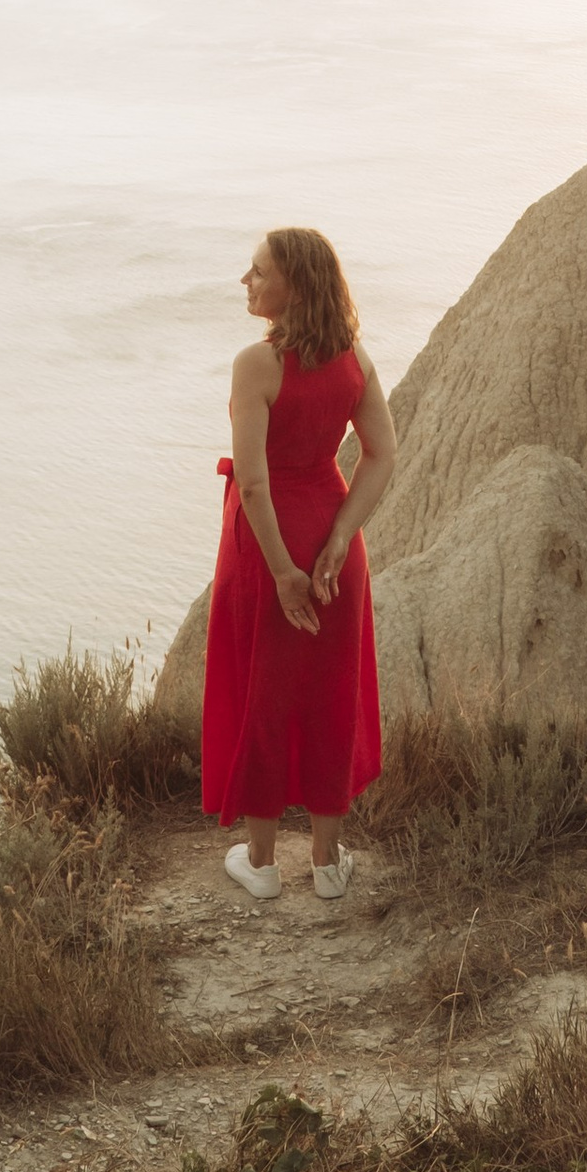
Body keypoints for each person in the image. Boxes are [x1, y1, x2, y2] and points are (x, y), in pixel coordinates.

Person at [202, 225, 394, 899]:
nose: (245, 282)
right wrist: (341, 538)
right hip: (332, 529)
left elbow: (254, 483)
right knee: (329, 691)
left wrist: (284, 570)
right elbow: (382, 456)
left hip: (268, 543)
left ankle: (259, 864)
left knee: (265, 689)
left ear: (294, 287)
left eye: (258, 273)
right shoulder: (356, 360)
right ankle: (327, 861)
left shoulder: (258, 364)